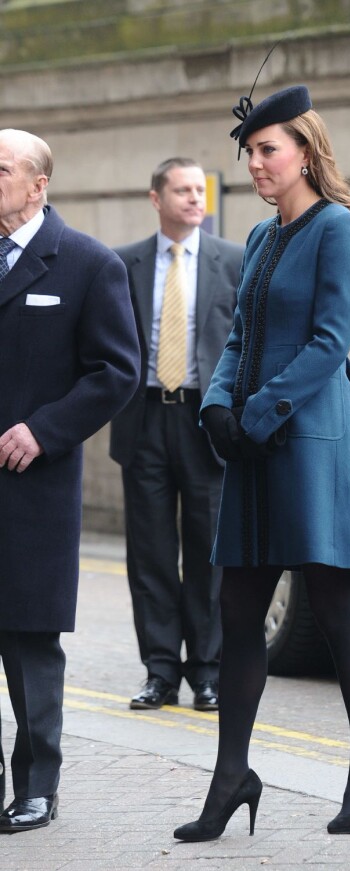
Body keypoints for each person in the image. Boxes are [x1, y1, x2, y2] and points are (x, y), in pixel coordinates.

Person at [173, 84, 350, 842]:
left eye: (268, 149)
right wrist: (218, 405)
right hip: (255, 440)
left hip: (312, 438)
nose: (255, 163)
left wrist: (257, 413)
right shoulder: (261, 239)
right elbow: (234, 338)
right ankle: (232, 778)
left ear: (305, 150)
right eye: (249, 152)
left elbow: (331, 344)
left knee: (331, 604)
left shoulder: (340, 230)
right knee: (236, 609)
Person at [0, 128, 140, 832]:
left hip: (32, 487)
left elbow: (117, 371)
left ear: (38, 184)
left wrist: (44, 430)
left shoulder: (88, 263)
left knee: (29, 643)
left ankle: (37, 785)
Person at [109, 158, 243, 713]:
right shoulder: (123, 264)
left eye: (199, 190)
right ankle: (159, 671)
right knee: (151, 554)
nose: (194, 199)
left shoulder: (232, 260)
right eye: (182, 190)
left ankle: (206, 674)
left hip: (204, 420)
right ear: (156, 198)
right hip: (143, 419)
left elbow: (246, 341)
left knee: (208, 553)